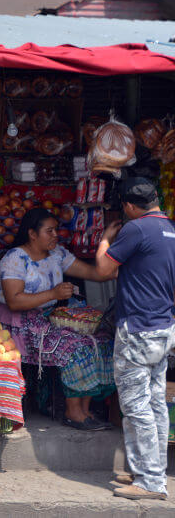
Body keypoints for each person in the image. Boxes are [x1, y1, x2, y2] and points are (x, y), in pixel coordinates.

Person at [0, 208, 116, 430]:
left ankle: (86, 410)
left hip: (50, 317)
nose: (55, 235)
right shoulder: (15, 259)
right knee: (74, 347)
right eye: (49, 231)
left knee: (101, 340)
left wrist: (107, 242)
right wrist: (53, 294)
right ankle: (73, 412)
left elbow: (96, 273)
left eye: (56, 230)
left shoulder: (57, 254)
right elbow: (14, 301)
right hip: (20, 321)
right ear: (32, 234)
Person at [95, 177, 175, 501]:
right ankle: (152, 474)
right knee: (155, 404)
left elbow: (103, 268)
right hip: (162, 328)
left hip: (138, 331)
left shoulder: (136, 228)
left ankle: (150, 482)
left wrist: (105, 239)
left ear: (129, 207)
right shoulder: (170, 229)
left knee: (137, 407)